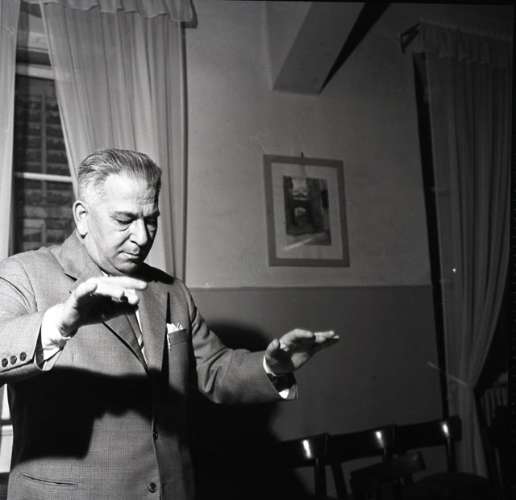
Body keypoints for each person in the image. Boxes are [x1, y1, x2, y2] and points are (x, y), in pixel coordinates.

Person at [0, 149, 339, 500]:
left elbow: (213, 369)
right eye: (124, 220)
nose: (142, 237)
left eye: (151, 220)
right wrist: (60, 323)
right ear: (82, 217)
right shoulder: (23, 274)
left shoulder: (171, 290)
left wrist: (271, 367)